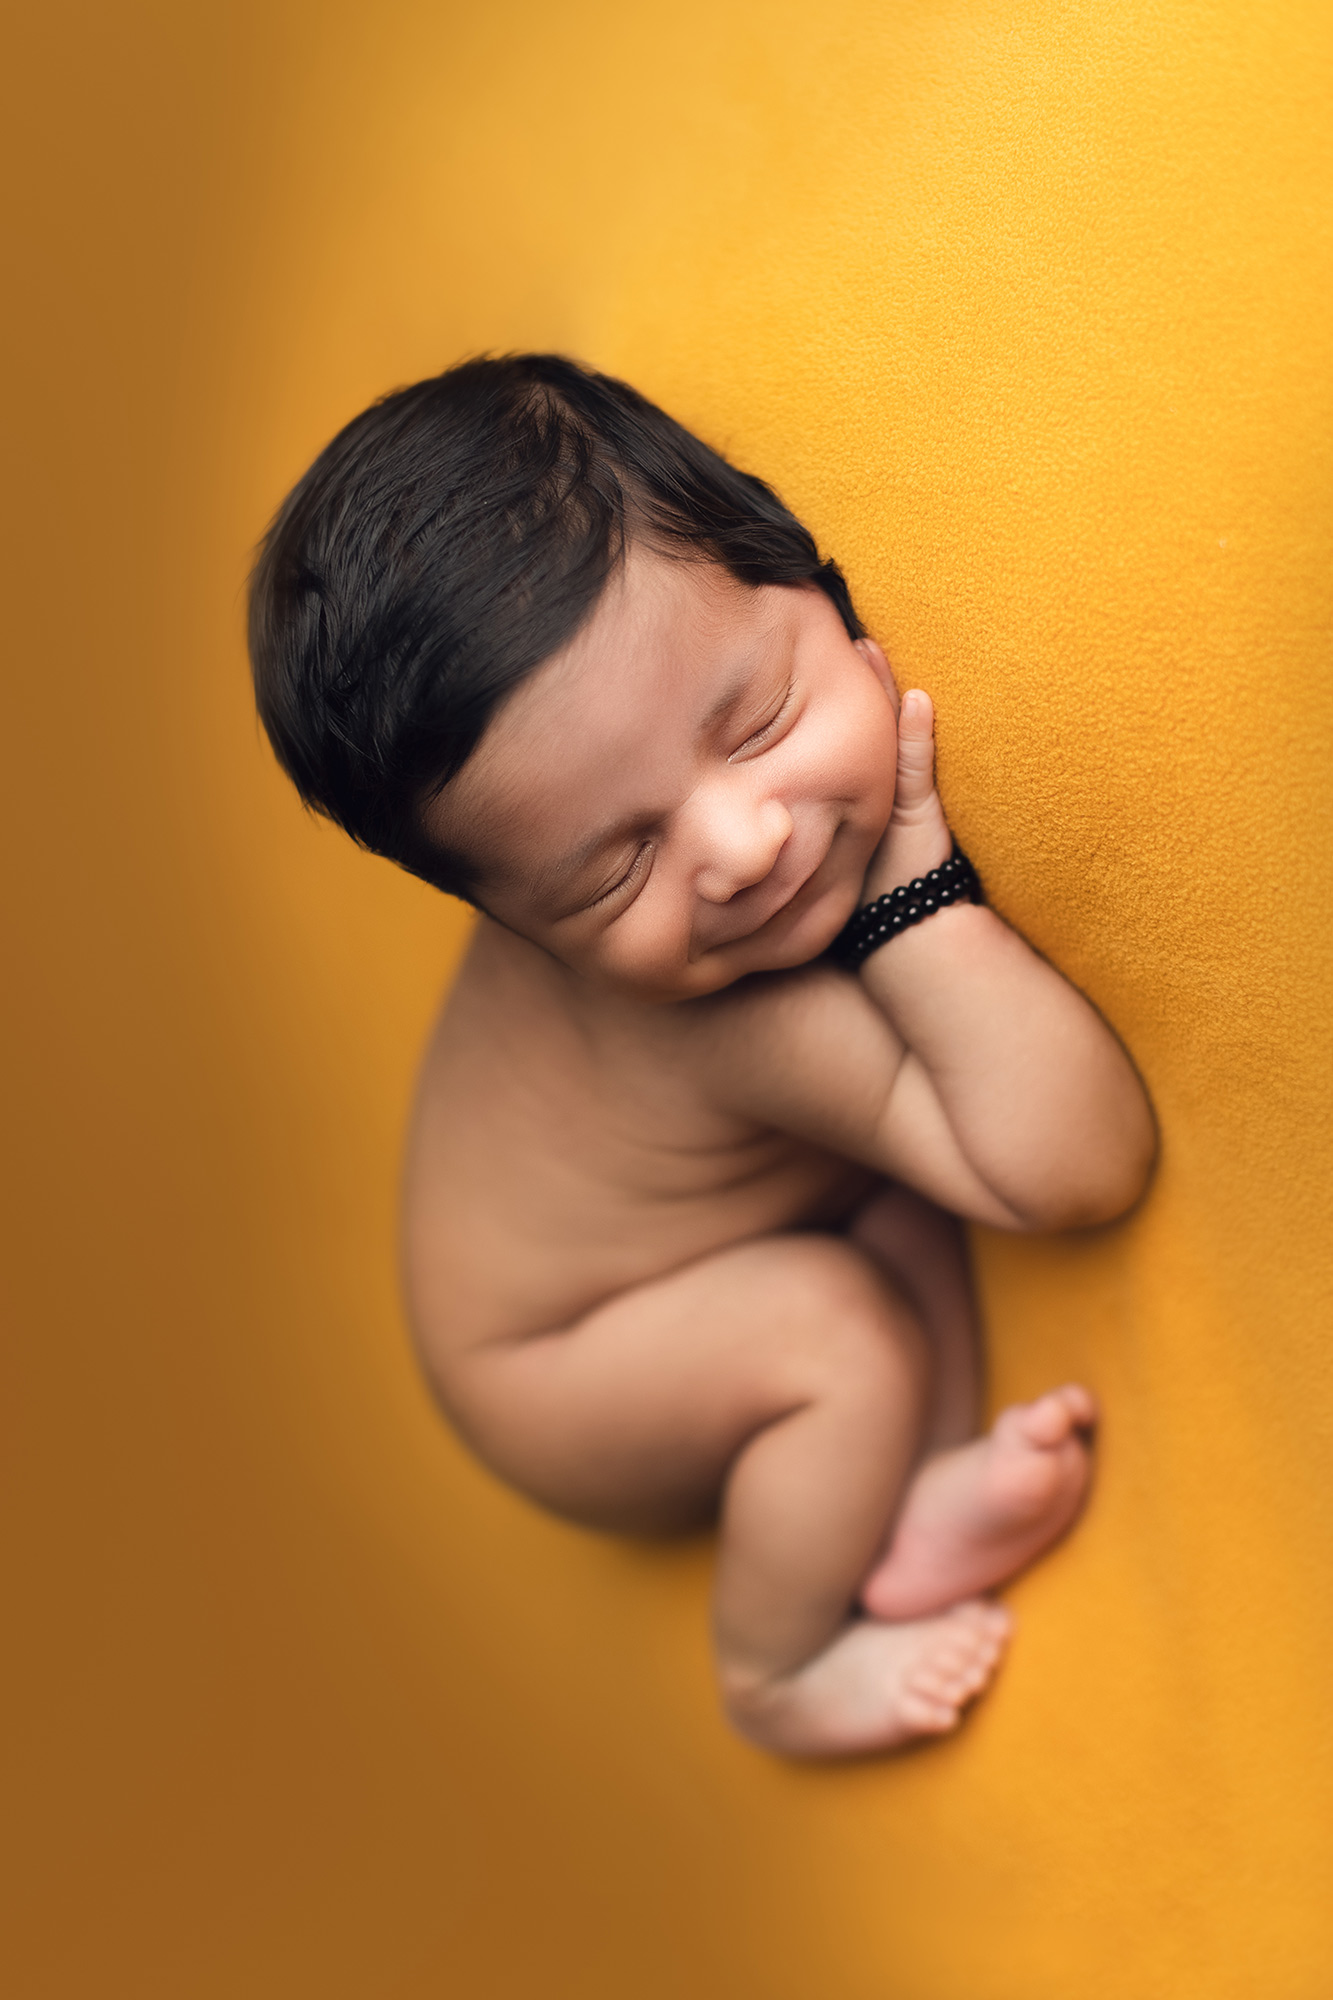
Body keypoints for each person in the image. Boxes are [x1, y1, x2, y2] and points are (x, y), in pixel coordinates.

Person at [249, 354, 1155, 1758]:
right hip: (560, 1366)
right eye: (614, 874)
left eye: (756, 722)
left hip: (630, 1259)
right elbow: (1075, 1167)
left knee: (888, 1199)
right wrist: (918, 896)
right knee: (831, 1327)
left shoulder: (664, 848)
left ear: (809, 572)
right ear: (516, 921)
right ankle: (780, 1667)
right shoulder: (735, 1023)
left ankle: (908, 1503)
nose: (743, 850)